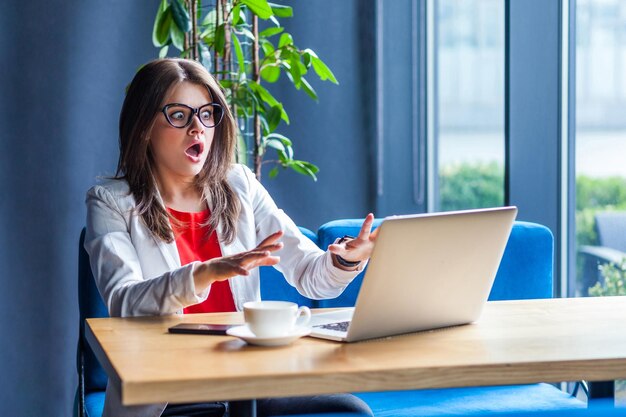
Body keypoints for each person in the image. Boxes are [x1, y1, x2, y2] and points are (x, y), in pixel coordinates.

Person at [85, 58, 377, 417]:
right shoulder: (110, 202)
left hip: (246, 382)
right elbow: (125, 304)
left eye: (207, 114)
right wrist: (206, 272)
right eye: (179, 115)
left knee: (349, 411)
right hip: (169, 392)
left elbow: (310, 274)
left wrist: (347, 258)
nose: (198, 128)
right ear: (144, 127)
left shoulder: (239, 185)